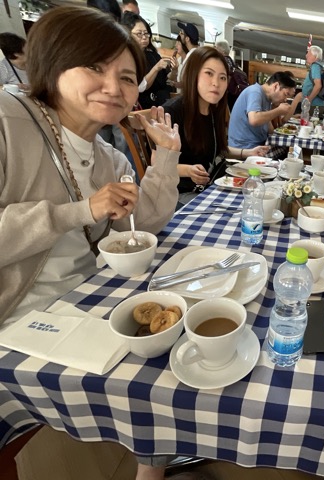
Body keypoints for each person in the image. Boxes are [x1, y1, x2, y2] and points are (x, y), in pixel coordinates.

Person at [0, 10, 181, 480]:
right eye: (95, 67)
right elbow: (90, 214)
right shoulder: (7, 119)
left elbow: (144, 223)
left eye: (127, 77)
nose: (113, 86)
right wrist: (79, 211)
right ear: (53, 64)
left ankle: (150, 464)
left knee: (170, 344)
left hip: (84, 303)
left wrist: (166, 154)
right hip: (16, 320)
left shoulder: (108, 157)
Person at [162, 46, 268, 207]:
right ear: (194, 74)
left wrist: (248, 152)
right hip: (178, 195)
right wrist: (188, 170)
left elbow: (218, 149)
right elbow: (157, 164)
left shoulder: (213, 110)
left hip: (210, 187)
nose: (216, 83)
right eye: (209, 74)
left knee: (256, 198)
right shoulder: (172, 111)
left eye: (222, 78)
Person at [229, 71, 301, 159]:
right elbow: (254, 120)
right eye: (286, 94)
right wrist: (278, 110)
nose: (285, 99)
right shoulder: (255, 92)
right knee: (287, 154)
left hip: (257, 144)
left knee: (289, 149)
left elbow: (269, 129)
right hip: (245, 148)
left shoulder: (267, 98)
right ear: (276, 86)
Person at [121, 12, 175, 109]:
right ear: (127, 34)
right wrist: (156, 68)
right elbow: (139, 87)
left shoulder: (152, 55)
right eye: (139, 34)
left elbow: (166, 79)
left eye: (146, 33)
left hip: (158, 103)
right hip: (140, 106)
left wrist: (174, 69)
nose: (144, 37)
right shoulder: (126, 58)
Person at [215, 38, 249, 110]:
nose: (214, 50)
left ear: (222, 51)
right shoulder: (232, 62)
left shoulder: (223, 62)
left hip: (227, 94)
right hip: (233, 94)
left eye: (216, 48)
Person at [175, 21, 199, 91]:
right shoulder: (196, 53)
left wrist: (175, 84)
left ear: (187, 39)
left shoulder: (192, 56)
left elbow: (190, 81)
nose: (180, 34)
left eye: (182, 33)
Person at [302, 45, 324, 112]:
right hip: (316, 104)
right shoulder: (318, 67)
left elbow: (318, 86)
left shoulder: (315, 66)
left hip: (314, 105)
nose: (306, 56)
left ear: (315, 56)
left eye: (309, 54)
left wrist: (308, 100)